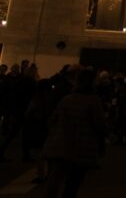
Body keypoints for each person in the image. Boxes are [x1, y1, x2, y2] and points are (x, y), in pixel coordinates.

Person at [42, 68, 106, 198]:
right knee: (72, 185)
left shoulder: (66, 99)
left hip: (61, 145)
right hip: (82, 147)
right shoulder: (93, 101)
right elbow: (99, 125)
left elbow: (52, 120)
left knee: (55, 181)